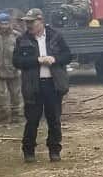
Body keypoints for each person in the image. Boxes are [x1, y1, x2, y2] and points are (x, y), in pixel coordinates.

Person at [13, 8, 72, 162]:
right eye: (27, 22)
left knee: (54, 119)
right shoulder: (22, 40)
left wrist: (55, 59)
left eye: (31, 22)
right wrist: (37, 61)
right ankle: (29, 152)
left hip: (53, 84)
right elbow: (17, 62)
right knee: (32, 120)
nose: (28, 25)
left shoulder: (56, 36)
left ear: (41, 21)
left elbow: (68, 55)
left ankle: (54, 151)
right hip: (33, 86)